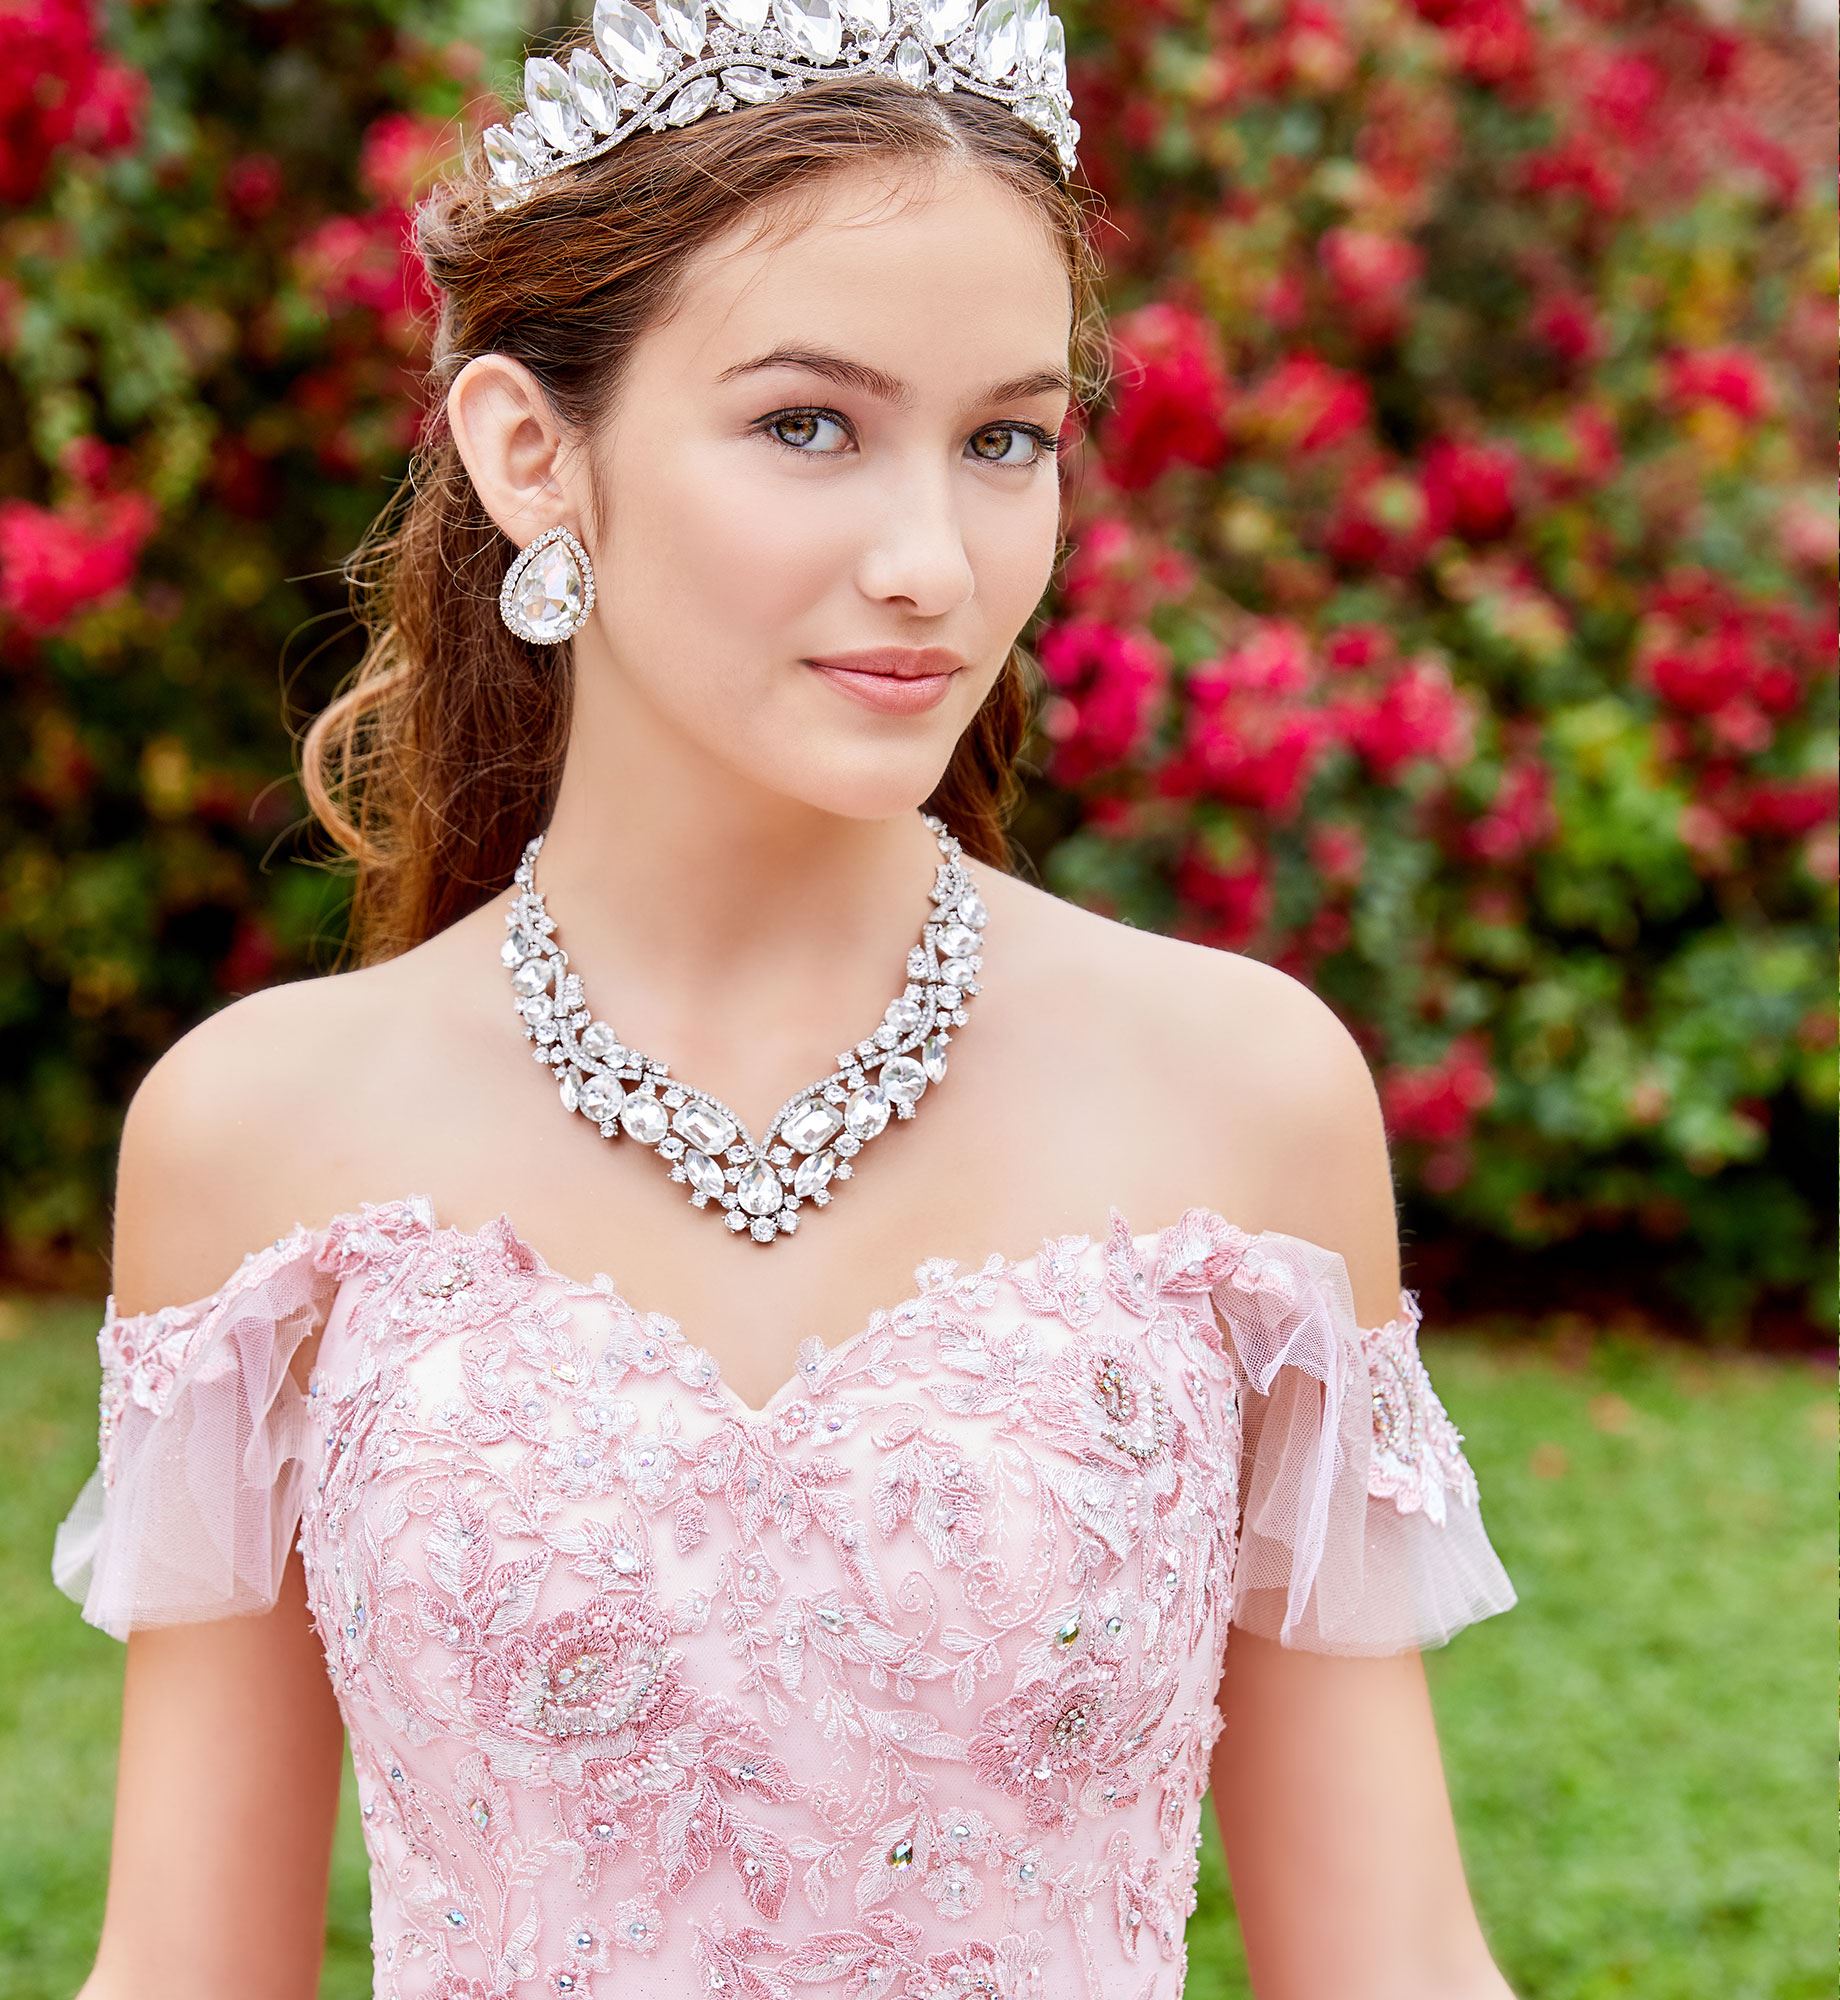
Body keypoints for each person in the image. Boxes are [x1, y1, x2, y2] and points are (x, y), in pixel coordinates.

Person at [50, 5, 1518, 1995]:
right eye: (806, 425)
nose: (930, 558)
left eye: (1003, 438)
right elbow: (183, 1973)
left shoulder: (1240, 1099)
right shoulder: (256, 1139)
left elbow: (1392, 1962)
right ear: (525, 449)